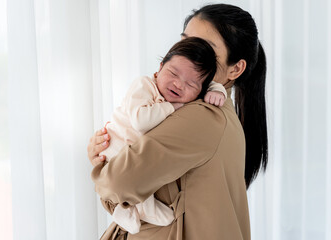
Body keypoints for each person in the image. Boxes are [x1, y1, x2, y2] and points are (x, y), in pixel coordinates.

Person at [88, 3, 268, 240]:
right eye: (186, 42)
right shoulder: (209, 110)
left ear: (235, 69)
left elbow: (117, 183)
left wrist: (99, 166)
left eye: (206, 49)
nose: (191, 54)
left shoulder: (203, 116)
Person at [101, 37, 225, 234]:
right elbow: (141, 122)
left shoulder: (197, 106)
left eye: (191, 84)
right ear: (159, 68)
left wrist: (217, 90)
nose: (178, 84)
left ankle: (132, 210)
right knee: (134, 176)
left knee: (143, 175)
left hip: (131, 146)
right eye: (173, 73)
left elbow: (208, 86)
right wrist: (171, 107)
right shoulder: (144, 85)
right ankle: (130, 210)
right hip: (114, 143)